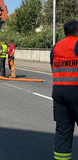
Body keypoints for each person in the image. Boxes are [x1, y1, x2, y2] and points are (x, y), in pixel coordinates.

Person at [51, 20, 78, 160]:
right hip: (76, 91)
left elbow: (53, 68)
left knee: (63, 131)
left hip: (59, 92)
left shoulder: (55, 47)